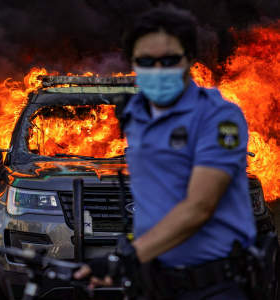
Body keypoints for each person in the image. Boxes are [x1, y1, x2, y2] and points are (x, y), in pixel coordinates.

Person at [74, 4, 256, 299]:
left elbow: (200, 207)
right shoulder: (135, 116)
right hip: (154, 284)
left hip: (212, 286)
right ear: (133, 62)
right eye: (146, 61)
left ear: (190, 60)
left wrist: (125, 259)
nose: (158, 71)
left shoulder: (219, 117)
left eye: (170, 60)